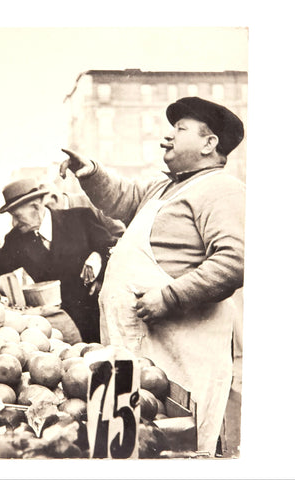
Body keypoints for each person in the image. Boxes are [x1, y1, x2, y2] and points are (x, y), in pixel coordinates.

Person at [59, 96, 246, 456]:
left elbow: (235, 260)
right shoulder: (163, 187)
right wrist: (92, 172)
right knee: (125, 448)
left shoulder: (223, 189)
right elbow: (124, 198)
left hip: (179, 360)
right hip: (139, 353)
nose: (167, 138)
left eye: (180, 130)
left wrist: (171, 297)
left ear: (210, 144)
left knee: (173, 449)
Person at [0, 177, 116, 343]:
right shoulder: (17, 239)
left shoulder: (80, 218)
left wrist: (97, 258)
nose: (14, 223)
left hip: (95, 316)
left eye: (17, 216)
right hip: (56, 327)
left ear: (35, 207)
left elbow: (112, 248)